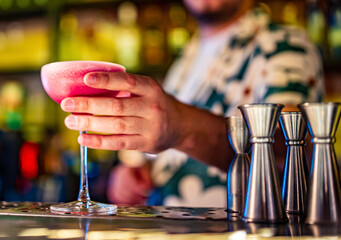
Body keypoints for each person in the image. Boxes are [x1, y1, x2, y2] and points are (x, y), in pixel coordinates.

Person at [60, 0, 324, 207]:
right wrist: (136, 175)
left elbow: (290, 151)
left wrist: (182, 126)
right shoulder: (186, 59)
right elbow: (170, 153)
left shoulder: (285, 44)